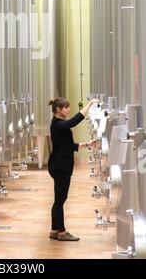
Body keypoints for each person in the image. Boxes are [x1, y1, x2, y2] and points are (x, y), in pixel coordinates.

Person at [48, 97, 99, 241]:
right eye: (66, 107)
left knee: (59, 200)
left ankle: (54, 230)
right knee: (60, 200)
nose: (68, 110)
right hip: (60, 167)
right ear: (58, 110)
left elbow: (70, 145)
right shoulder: (58, 124)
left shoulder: (59, 125)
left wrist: (88, 143)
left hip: (60, 166)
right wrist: (89, 104)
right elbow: (74, 122)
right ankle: (62, 232)